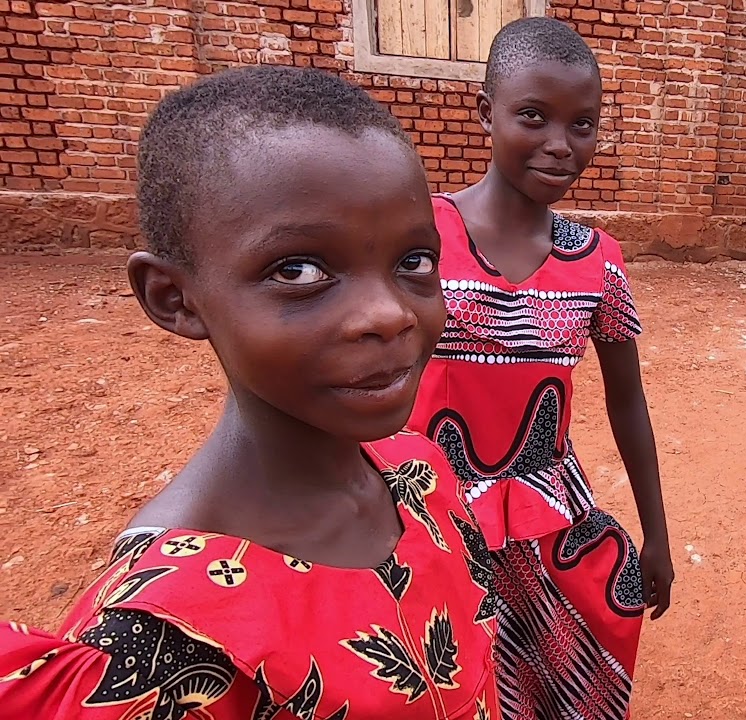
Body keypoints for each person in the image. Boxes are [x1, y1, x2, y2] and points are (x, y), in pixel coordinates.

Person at [0, 67, 501, 719]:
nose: (388, 313)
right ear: (174, 298)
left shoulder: (421, 473)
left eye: (414, 262)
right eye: (298, 270)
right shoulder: (160, 643)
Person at [403, 17, 673, 720]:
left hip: (547, 513)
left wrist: (658, 534)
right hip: (426, 509)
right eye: (533, 116)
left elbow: (629, 403)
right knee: (443, 679)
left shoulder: (598, 261)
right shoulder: (418, 235)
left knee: (564, 683)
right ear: (486, 112)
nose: (561, 144)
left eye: (583, 124)